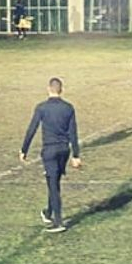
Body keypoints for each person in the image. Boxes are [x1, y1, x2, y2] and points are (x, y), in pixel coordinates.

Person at [20, 78, 81, 233]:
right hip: (64, 150)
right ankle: (48, 212)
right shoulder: (68, 108)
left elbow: (32, 129)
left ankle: (58, 222)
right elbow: (73, 132)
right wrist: (76, 155)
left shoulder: (42, 108)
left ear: (48, 89)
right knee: (54, 182)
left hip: (49, 151)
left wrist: (24, 149)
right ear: (61, 90)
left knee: (53, 184)